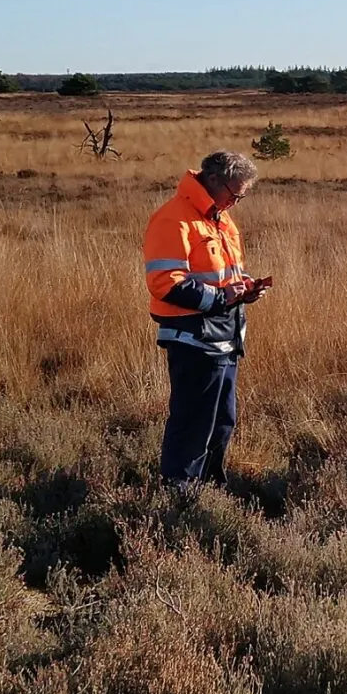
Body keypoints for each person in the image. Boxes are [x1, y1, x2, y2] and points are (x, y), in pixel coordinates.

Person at [142, 150, 271, 487]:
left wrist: (244, 289)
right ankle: (179, 493)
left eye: (242, 196)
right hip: (193, 339)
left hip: (225, 338)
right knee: (193, 422)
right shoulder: (175, 219)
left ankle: (211, 490)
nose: (236, 202)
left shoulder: (221, 219)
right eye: (235, 193)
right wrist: (220, 298)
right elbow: (163, 282)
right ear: (214, 180)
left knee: (221, 421)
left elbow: (225, 274)